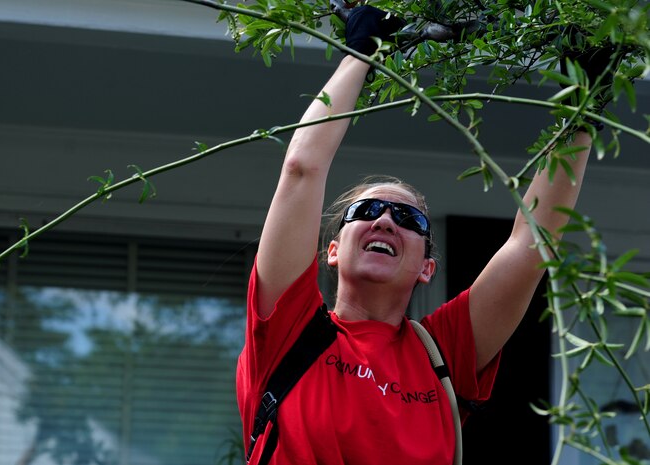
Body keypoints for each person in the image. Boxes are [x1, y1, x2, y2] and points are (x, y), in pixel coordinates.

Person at [236, 6, 593, 465]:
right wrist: (359, 53)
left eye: (410, 221)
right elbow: (301, 169)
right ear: (332, 250)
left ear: (428, 267)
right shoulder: (287, 330)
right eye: (366, 211)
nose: (386, 221)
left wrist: (584, 111)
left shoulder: (442, 353)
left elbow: (530, 246)